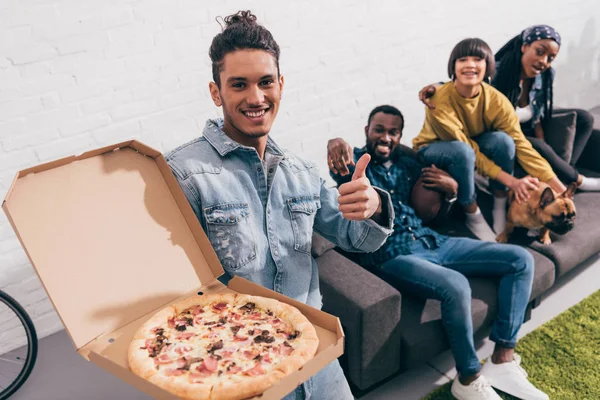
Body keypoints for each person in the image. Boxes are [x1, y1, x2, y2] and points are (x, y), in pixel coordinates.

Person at [165, 10, 395, 400]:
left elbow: (358, 240)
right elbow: (173, 291)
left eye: (265, 82)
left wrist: (372, 206)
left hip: (318, 362)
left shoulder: (301, 172)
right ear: (216, 92)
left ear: (281, 84)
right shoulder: (182, 174)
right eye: (239, 85)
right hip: (243, 375)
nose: (256, 98)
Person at [328, 104, 549, 400]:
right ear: (366, 130)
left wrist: (453, 190)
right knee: (456, 285)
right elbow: (341, 167)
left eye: (393, 132)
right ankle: (468, 378)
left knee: (520, 260)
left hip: (433, 240)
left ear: (400, 136)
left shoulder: (407, 166)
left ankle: (502, 359)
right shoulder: (356, 162)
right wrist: (334, 143)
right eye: (378, 129)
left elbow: (432, 207)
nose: (385, 137)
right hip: (392, 254)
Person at [412, 38, 565, 241]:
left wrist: (561, 190)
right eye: (462, 59)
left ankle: (499, 205)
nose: (470, 64)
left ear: (488, 66)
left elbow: (521, 144)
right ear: (453, 66)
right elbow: (468, 148)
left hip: (469, 144)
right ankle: (472, 212)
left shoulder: (497, 100)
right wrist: (513, 182)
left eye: (478, 59)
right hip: (432, 147)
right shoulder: (437, 99)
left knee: (504, 141)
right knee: (463, 151)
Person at [419, 25, 599, 192]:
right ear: (524, 47)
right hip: (502, 131)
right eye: (539, 52)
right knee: (534, 145)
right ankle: (577, 180)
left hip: (528, 122)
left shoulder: (545, 75)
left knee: (584, 118)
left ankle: (566, 173)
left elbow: (538, 117)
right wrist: (437, 86)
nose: (543, 61)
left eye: (550, 58)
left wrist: (546, 158)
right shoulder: (498, 73)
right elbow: (468, 85)